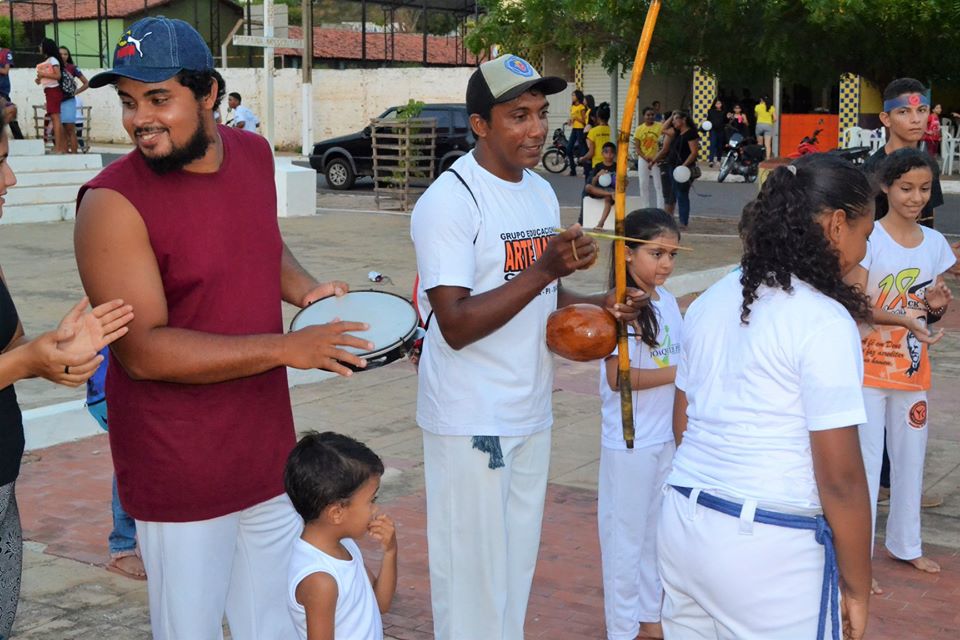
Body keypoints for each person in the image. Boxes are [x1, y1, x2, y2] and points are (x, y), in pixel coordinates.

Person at [74, 17, 375, 640]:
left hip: (266, 454)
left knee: (278, 627)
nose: (140, 120)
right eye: (129, 102)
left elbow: (261, 244)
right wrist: (289, 348)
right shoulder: (110, 203)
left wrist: (305, 290)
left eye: (160, 99)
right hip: (178, 465)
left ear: (209, 94)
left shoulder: (254, 154)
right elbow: (144, 353)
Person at [410, 53, 645, 640]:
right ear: (480, 124)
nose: (537, 129)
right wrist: (543, 269)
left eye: (542, 113)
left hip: (529, 410)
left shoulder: (539, 191)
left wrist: (599, 304)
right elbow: (455, 323)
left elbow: (548, 295)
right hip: (471, 417)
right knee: (472, 583)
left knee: (513, 576)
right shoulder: (450, 200)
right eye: (518, 115)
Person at [660, 153, 874, 639]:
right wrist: (857, 586)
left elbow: (683, 424)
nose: (865, 249)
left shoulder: (711, 299)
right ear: (837, 225)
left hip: (684, 519)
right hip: (771, 545)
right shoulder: (822, 321)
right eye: (865, 232)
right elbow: (840, 479)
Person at [0, 119, 134, 638]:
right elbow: (15, 361)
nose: (10, 179)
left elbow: (11, 347)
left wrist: (57, 352)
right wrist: (26, 362)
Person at [845, 148, 955, 591]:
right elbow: (855, 304)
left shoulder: (935, 245)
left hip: (912, 372)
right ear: (886, 187)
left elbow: (928, 309)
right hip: (869, 370)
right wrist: (906, 318)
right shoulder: (868, 240)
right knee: (867, 465)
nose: (915, 198)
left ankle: (907, 544)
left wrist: (936, 309)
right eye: (906, 188)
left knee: (911, 459)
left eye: (924, 189)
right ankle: (858, 557)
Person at [598, 208, 682, 640]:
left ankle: (650, 616)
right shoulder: (621, 306)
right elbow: (618, 378)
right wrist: (681, 374)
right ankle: (621, 627)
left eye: (671, 254)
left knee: (656, 535)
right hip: (629, 441)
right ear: (627, 254)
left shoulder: (666, 301)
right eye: (656, 253)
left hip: (663, 437)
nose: (665, 263)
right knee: (624, 542)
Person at [284, 432, 397, 640]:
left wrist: (390, 552)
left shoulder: (345, 545)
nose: (375, 509)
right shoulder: (320, 579)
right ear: (337, 513)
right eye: (371, 500)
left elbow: (380, 603)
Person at [85, 351, 145, 581]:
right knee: (132, 463)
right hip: (114, 391)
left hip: (119, 388)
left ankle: (128, 544)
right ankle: (122, 549)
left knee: (138, 462)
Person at [863, 78, 943, 229]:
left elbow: (929, 218)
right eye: (904, 112)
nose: (915, 120)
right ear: (886, 119)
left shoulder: (928, 165)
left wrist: (939, 249)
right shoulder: (871, 170)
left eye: (921, 110)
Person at [654, 111, 699, 228]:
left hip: (683, 169)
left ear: (683, 120)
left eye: (676, 119)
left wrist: (684, 165)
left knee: (682, 194)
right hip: (672, 166)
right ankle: (670, 219)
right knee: (672, 193)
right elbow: (662, 130)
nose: (673, 122)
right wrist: (671, 116)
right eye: (672, 120)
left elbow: (694, 152)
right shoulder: (677, 132)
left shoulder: (691, 133)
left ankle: (683, 221)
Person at [35, 38, 65, 153]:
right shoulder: (49, 60)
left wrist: (43, 74)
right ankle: (60, 147)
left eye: (41, 45)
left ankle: (58, 148)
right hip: (49, 90)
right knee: (55, 119)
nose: (40, 48)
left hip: (53, 91)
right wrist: (40, 78)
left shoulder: (53, 60)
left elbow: (58, 76)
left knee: (55, 119)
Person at [58, 46, 89, 154]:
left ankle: (75, 155)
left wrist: (76, 92)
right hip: (56, 101)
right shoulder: (53, 67)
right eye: (61, 54)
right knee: (60, 131)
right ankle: (65, 153)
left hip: (68, 101)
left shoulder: (73, 68)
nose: (63, 56)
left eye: (65, 54)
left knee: (70, 130)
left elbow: (87, 83)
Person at [633, 106, 664, 209]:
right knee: (643, 183)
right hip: (643, 159)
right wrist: (645, 157)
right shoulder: (639, 129)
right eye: (648, 115)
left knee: (658, 185)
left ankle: (660, 208)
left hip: (657, 158)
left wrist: (656, 157)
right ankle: (645, 207)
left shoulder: (660, 126)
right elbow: (637, 147)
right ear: (644, 116)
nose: (650, 117)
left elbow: (663, 143)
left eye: (652, 115)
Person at [587, 141, 618, 230]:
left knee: (608, 199)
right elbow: (592, 183)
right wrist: (597, 175)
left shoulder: (617, 166)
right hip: (600, 190)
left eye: (611, 152)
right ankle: (609, 194)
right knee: (588, 187)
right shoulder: (598, 166)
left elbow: (625, 182)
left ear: (615, 154)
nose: (609, 155)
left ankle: (601, 223)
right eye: (606, 152)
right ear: (602, 153)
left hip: (611, 190)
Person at [581, 102, 612, 179]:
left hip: (597, 166)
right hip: (611, 165)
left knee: (588, 188)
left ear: (598, 117)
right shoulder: (613, 131)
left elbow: (591, 153)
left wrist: (582, 159)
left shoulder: (593, 132)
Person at [0, 47, 23, 140]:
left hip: (2, 90)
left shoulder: (5, 52)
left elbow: (5, 71)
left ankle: (20, 140)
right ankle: (19, 139)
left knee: (9, 112)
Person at [566, 89, 587, 176]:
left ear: (578, 97)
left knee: (582, 150)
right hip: (574, 129)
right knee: (568, 149)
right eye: (572, 95)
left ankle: (585, 170)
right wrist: (570, 121)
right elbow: (572, 119)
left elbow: (584, 121)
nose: (572, 97)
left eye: (573, 95)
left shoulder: (581, 107)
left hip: (581, 129)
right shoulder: (572, 107)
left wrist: (576, 118)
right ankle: (572, 169)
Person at [754, 95, 776, 159]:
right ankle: (768, 158)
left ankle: (759, 157)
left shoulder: (757, 106)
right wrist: (770, 122)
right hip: (768, 125)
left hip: (760, 125)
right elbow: (775, 118)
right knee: (767, 144)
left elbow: (756, 115)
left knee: (760, 143)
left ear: (762, 100)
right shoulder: (771, 107)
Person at [706, 98, 727, 167]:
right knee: (712, 144)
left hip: (721, 130)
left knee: (720, 145)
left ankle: (718, 160)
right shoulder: (710, 111)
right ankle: (711, 160)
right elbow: (708, 121)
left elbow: (725, 121)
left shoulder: (724, 112)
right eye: (717, 103)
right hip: (713, 130)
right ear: (714, 104)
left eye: (719, 103)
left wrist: (728, 117)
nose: (718, 105)